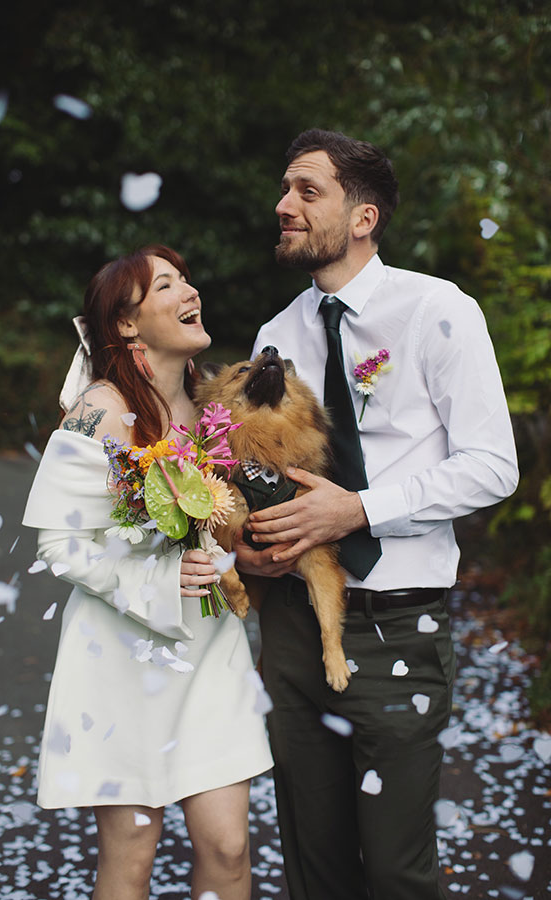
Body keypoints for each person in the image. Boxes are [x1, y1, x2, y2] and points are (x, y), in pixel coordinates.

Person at [233, 130, 519, 900]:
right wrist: (252, 553)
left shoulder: (437, 311)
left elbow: (495, 465)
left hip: (399, 626)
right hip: (295, 630)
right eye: (285, 189)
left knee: (396, 873)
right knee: (314, 869)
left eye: (306, 191)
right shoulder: (277, 336)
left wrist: (358, 511)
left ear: (363, 218)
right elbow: (264, 476)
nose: (283, 206)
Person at [22, 244, 273, 900]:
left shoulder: (214, 403)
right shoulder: (98, 411)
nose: (190, 290)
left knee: (229, 845)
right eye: (167, 284)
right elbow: (59, 540)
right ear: (127, 323)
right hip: (120, 656)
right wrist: (158, 583)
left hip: (210, 647)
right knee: (132, 850)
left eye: (187, 279)